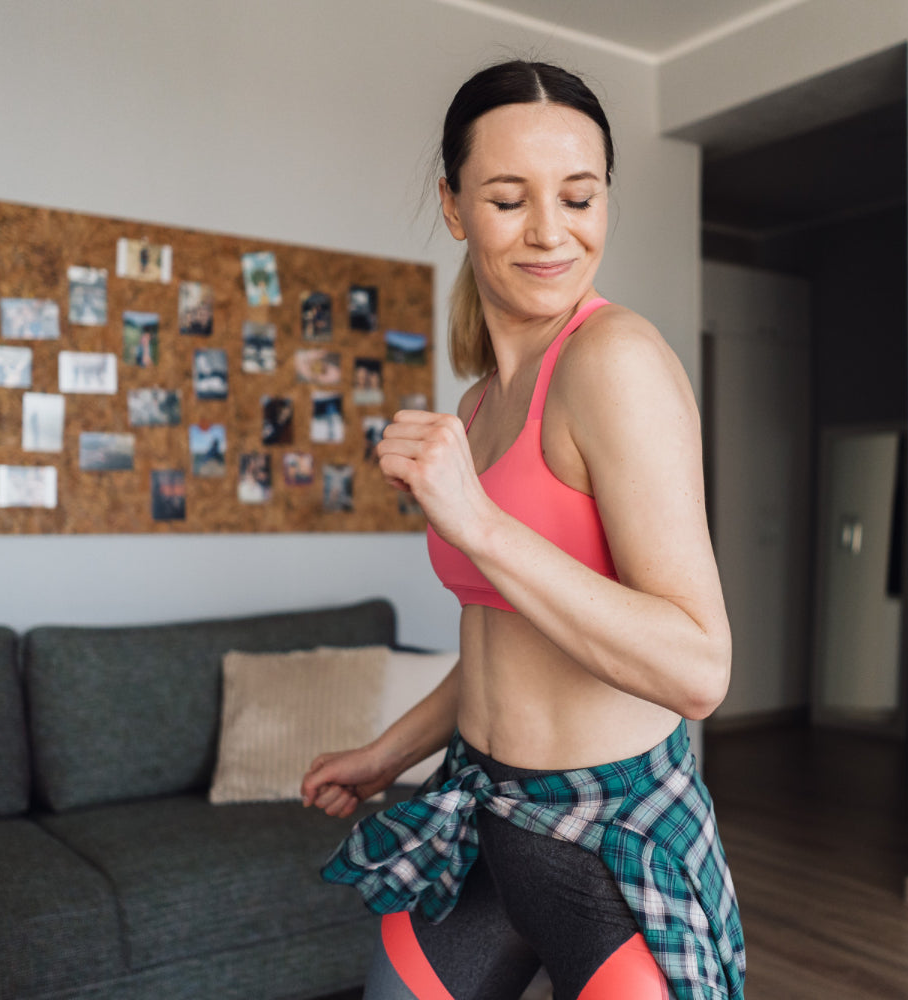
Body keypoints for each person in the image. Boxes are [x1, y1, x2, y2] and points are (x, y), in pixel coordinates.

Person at [301, 60, 744, 1000]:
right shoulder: (478, 405)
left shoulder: (614, 362)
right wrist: (388, 753)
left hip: (610, 836)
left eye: (579, 196)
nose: (552, 231)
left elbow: (700, 668)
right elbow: (515, 638)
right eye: (509, 199)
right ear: (455, 208)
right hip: (485, 808)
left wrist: (479, 522)